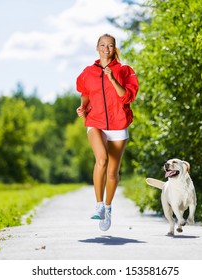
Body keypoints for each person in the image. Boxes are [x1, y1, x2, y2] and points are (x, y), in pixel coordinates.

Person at [76, 34, 139, 231]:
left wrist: (112, 78)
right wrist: (82, 108)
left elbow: (127, 97)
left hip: (119, 125)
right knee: (101, 160)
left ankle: (109, 207)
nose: (106, 48)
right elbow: (85, 95)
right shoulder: (88, 72)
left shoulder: (125, 71)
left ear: (114, 49)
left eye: (110, 46)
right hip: (96, 122)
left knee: (112, 172)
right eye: (102, 45)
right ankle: (99, 205)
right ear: (97, 48)